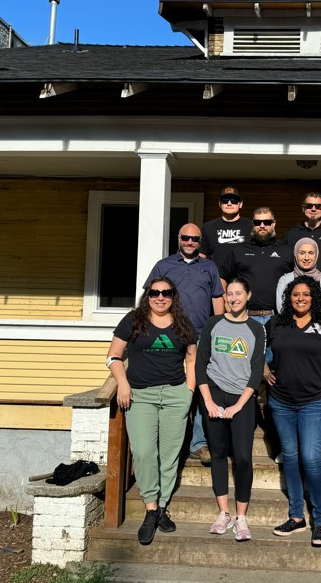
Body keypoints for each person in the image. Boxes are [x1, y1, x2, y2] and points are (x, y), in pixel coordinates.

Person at [106, 277, 197, 545]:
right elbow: (113, 356)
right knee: (145, 452)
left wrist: (188, 392)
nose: (160, 297)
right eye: (155, 292)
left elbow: (191, 358)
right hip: (140, 396)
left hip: (174, 395)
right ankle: (150, 507)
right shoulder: (133, 320)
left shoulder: (183, 323)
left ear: (173, 296)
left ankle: (161, 507)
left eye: (166, 293)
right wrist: (122, 383)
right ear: (147, 295)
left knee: (169, 456)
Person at [265, 275, 321, 547]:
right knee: (291, 458)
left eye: (306, 295)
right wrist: (264, 369)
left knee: (310, 459)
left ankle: (320, 520)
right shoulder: (276, 323)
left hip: (315, 402)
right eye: (295, 294)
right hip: (281, 403)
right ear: (289, 297)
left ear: (315, 298)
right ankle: (297, 517)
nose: (300, 298)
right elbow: (262, 352)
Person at [142, 223, 225, 466]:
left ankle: (198, 443)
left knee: (201, 386)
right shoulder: (164, 265)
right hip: (169, 334)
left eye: (195, 239)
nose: (190, 242)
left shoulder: (209, 266)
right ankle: (167, 441)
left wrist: (217, 330)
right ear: (178, 239)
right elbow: (150, 297)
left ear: (200, 242)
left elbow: (217, 299)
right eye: (186, 238)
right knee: (168, 383)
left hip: (200, 335)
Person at [196, 277, 266, 542]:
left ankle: (241, 517)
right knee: (217, 454)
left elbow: (257, 369)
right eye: (230, 294)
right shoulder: (213, 324)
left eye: (239, 293)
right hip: (213, 394)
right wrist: (209, 402)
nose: (234, 298)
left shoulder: (256, 329)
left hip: (242, 399)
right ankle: (223, 512)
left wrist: (238, 405)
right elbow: (200, 365)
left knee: (244, 457)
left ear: (248, 295)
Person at [218, 206, 293, 330]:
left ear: (274, 224)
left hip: (278, 318)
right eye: (258, 222)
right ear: (253, 224)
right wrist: (227, 304)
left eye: (267, 222)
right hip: (245, 317)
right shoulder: (239, 250)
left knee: (272, 351)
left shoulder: (286, 250)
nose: (262, 225)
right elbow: (221, 277)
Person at [276, 237, 321, 315]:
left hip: (318, 326)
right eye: (302, 253)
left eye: (311, 253)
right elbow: (281, 310)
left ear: (316, 255)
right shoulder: (285, 280)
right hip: (290, 325)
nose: (306, 258)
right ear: (295, 254)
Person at [200, 186, 253, 266]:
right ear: (219, 204)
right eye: (225, 200)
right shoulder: (208, 227)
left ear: (240, 204)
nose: (229, 203)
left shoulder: (251, 226)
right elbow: (201, 256)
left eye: (234, 200)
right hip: (216, 277)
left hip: (243, 277)